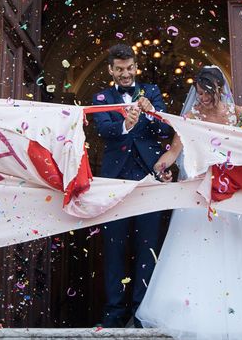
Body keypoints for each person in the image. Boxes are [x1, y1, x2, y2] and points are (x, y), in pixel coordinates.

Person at [136, 66, 242, 340]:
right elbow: (174, 152)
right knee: (198, 256)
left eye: (207, 94)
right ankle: (196, 315)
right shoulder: (191, 117)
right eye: (198, 93)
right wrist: (158, 168)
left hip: (235, 197)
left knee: (238, 254)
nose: (202, 99)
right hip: (200, 198)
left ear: (220, 89)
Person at [90, 43, 172, 327]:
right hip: (114, 182)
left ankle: (142, 312)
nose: (125, 74)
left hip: (149, 179)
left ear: (136, 67)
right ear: (111, 70)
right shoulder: (101, 96)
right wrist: (125, 125)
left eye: (130, 68)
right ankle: (114, 313)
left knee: (148, 246)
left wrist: (151, 114)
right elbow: (103, 130)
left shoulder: (151, 92)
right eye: (120, 69)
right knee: (115, 248)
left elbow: (165, 130)